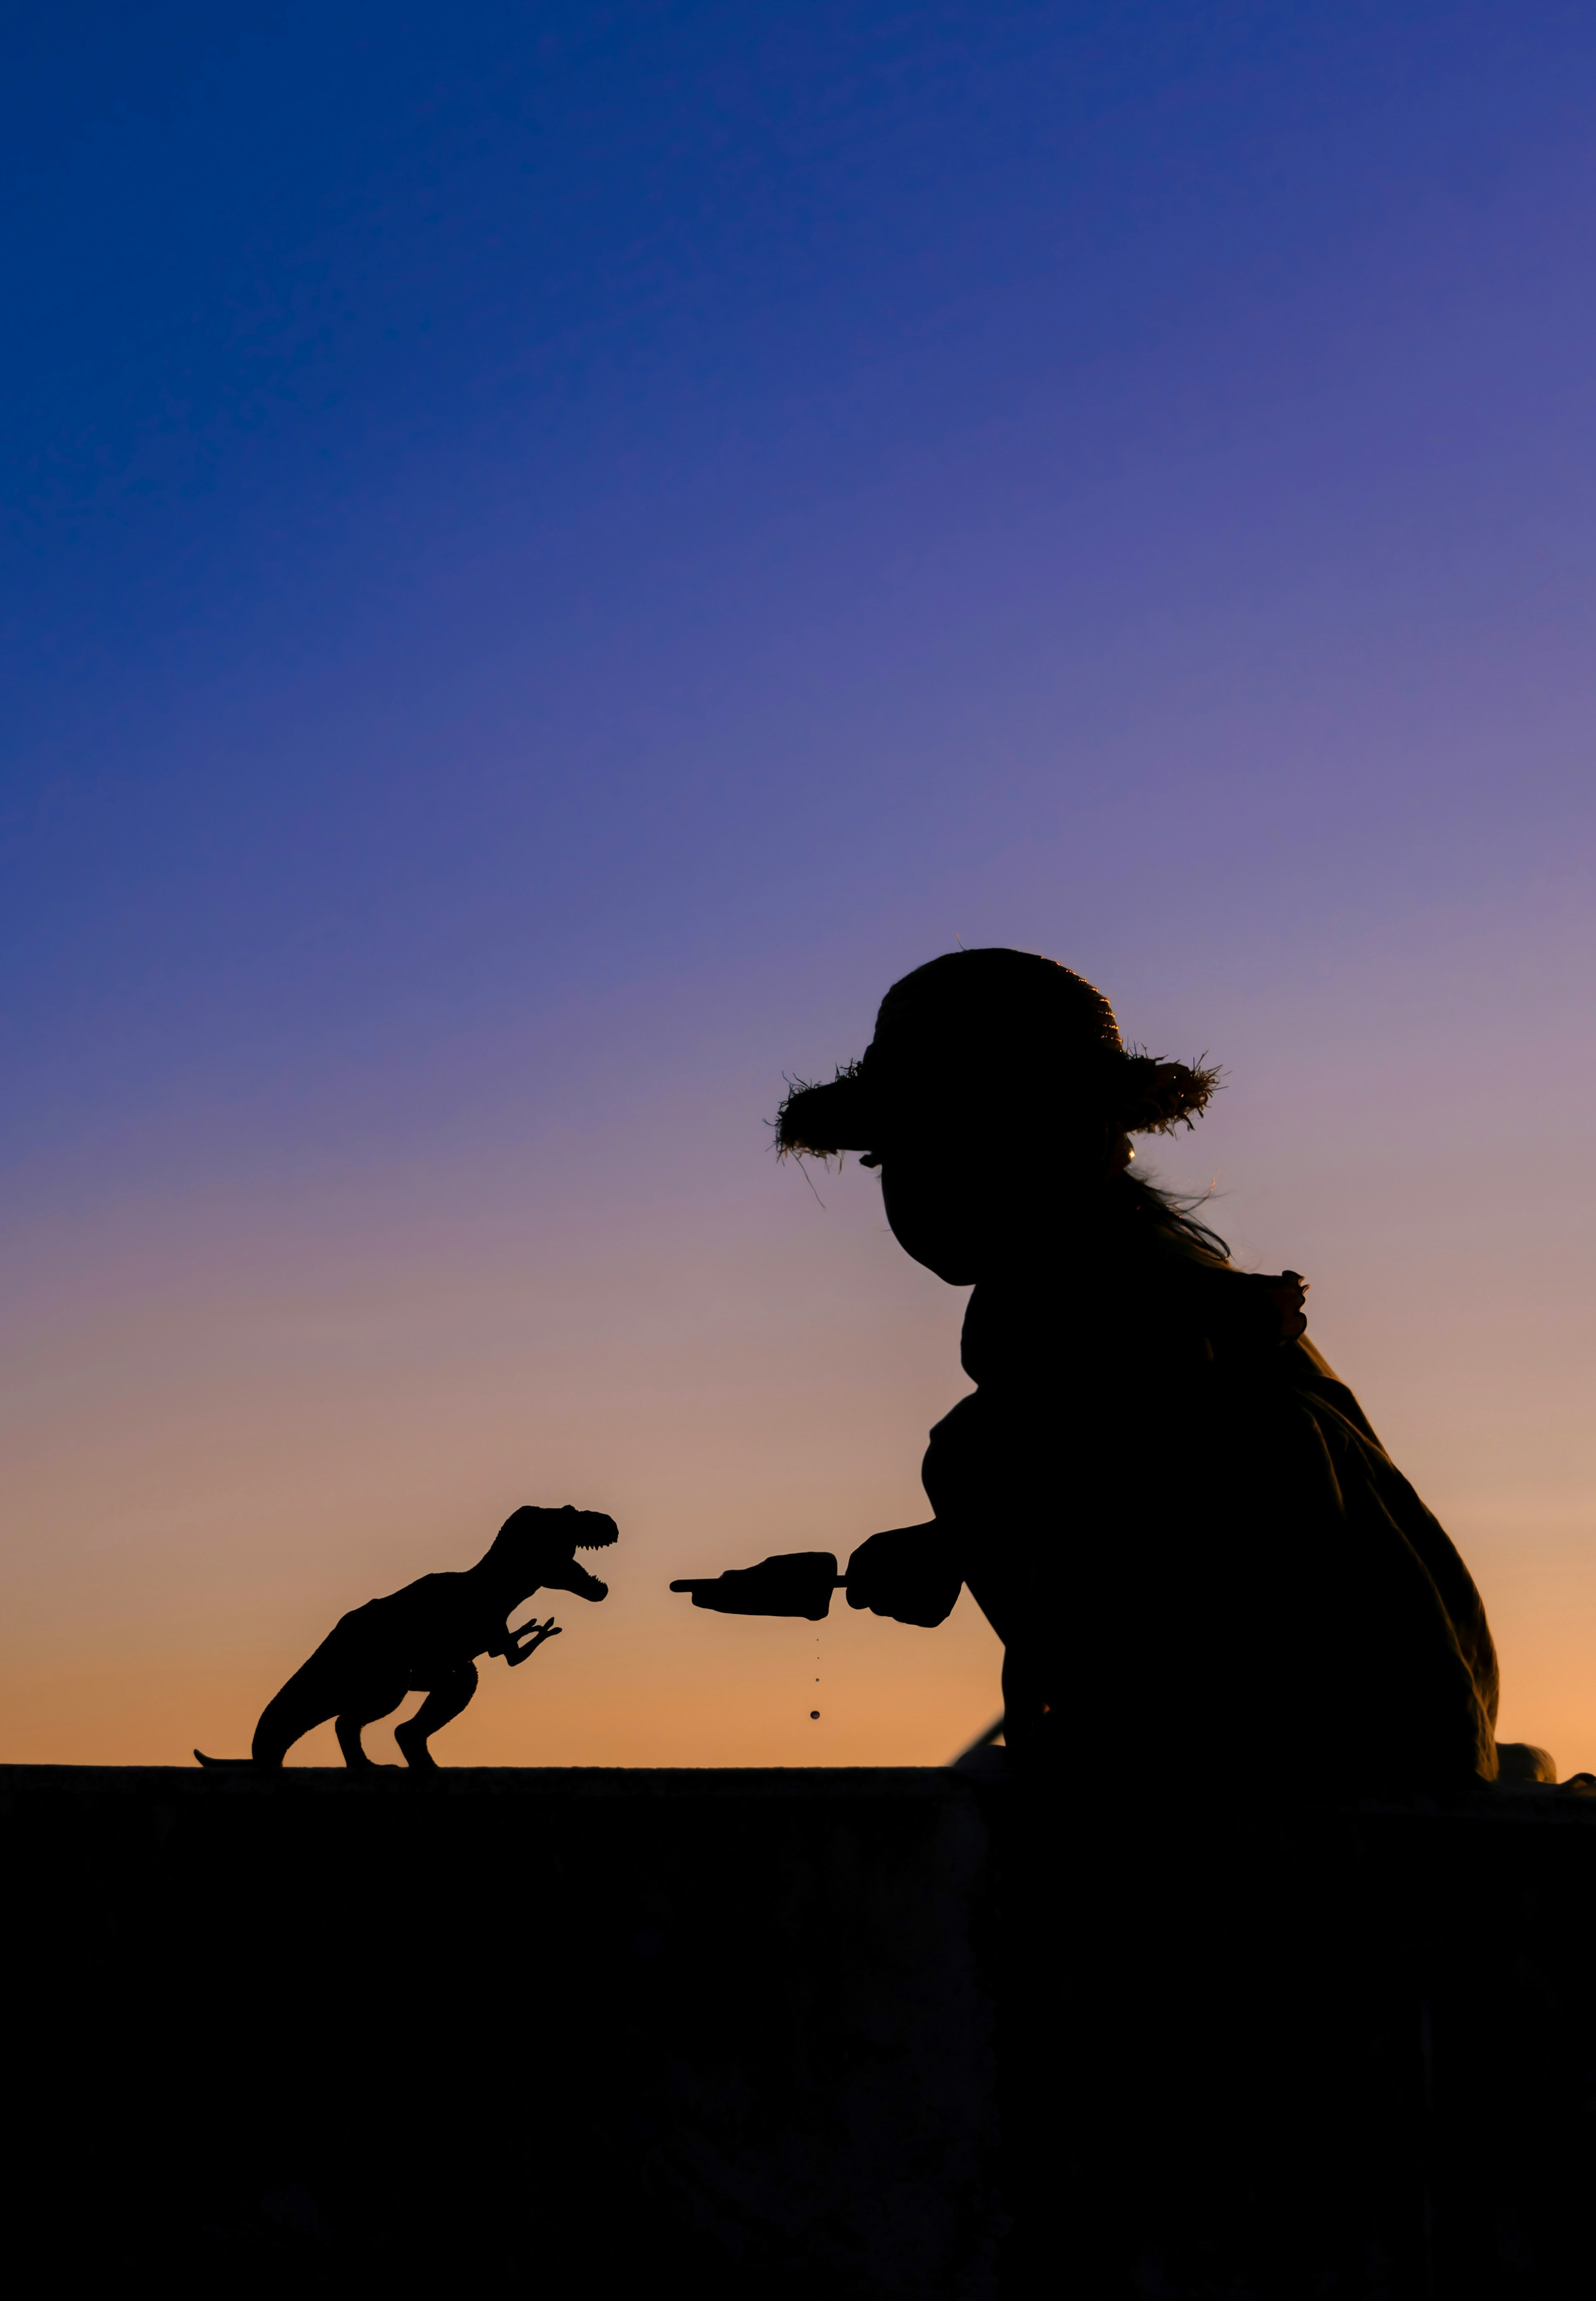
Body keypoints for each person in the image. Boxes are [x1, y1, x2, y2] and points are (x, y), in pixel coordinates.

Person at [777, 947, 1548, 1792]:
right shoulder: (1004, 1407)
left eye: (976, 1135)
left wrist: (968, 1539)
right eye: (899, 1153)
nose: (928, 1181)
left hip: (1362, 1764)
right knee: (971, 1455)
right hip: (1198, 1766)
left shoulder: (1188, 1329)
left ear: (1093, 1145)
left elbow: (1177, 1470)